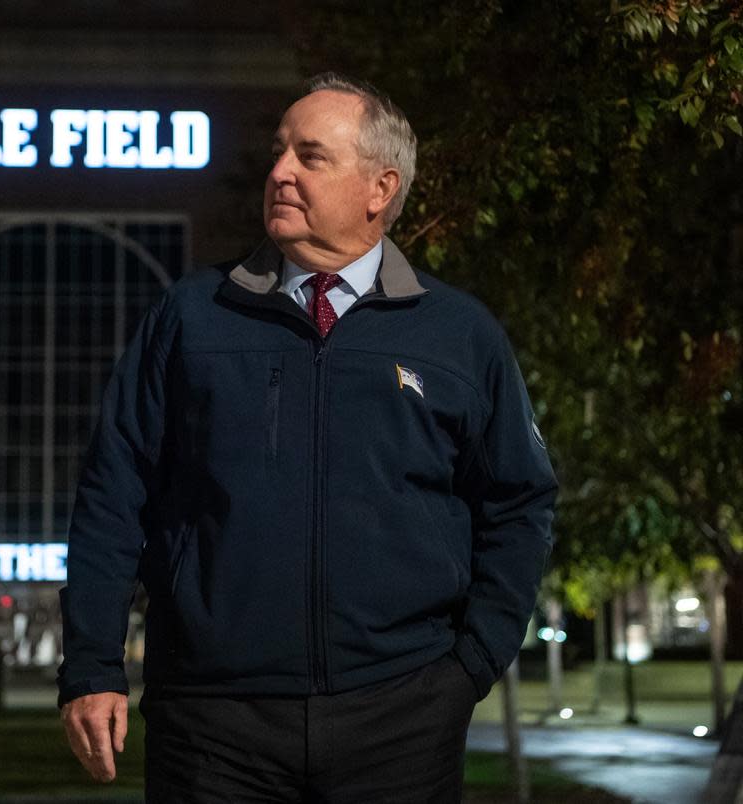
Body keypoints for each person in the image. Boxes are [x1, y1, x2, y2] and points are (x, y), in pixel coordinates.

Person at [57, 72, 557, 802]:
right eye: (279, 152)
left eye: (310, 156)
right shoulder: (190, 316)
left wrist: (471, 664)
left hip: (402, 718)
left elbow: (520, 502)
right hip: (211, 721)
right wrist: (94, 667)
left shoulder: (459, 335)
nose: (280, 172)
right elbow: (111, 493)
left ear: (379, 188)